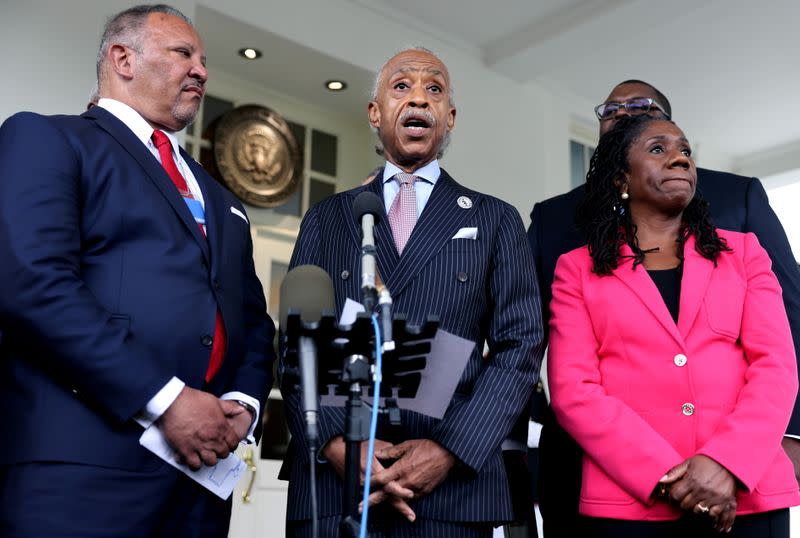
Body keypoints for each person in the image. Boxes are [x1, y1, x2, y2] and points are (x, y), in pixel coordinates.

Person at [0, 5, 274, 537]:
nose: (201, 70)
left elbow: (254, 320)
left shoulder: (220, 198)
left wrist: (243, 403)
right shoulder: (49, 140)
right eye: (183, 53)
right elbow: (32, 283)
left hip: (198, 488)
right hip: (81, 474)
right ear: (123, 59)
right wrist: (166, 398)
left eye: (203, 59)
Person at [281, 47, 544, 537]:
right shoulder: (327, 217)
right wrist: (338, 442)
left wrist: (449, 449)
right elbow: (298, 343)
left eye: (435, 89)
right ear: (375, 112)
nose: (419, 98)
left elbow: (521, 346)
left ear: (450, 117)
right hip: (333, 482)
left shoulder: (494, 219)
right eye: (401, 86)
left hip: (452, 490)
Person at [529, 79, 800, 537]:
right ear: (621, 178)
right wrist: (667, 476)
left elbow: (777, 363)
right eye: (659, 148)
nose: (680, 158)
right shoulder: (575, 268)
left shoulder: (745, 252)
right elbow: (573, 387)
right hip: (631, 498)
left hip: (744, 492)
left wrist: (729, 462)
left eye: (686, 150)